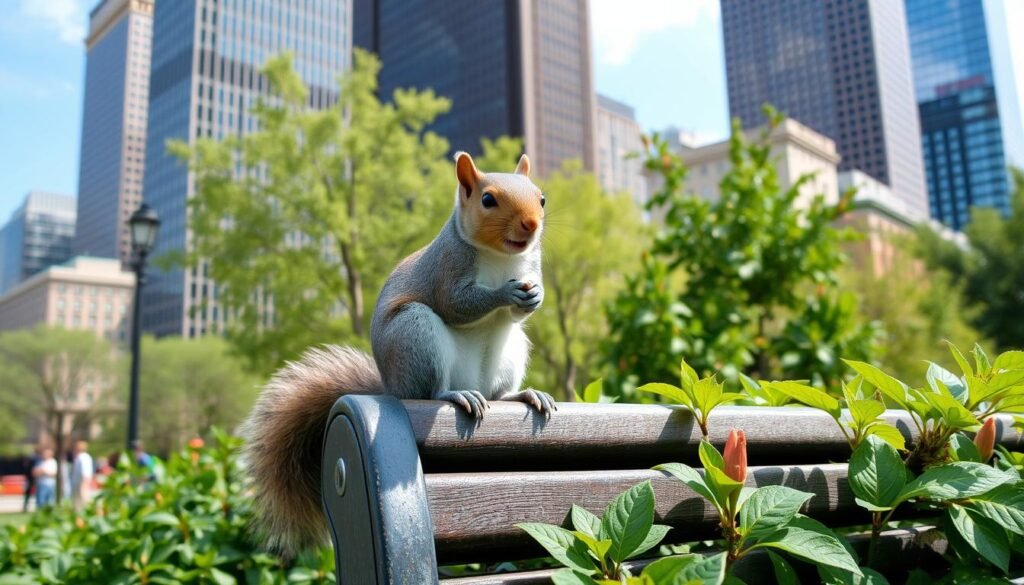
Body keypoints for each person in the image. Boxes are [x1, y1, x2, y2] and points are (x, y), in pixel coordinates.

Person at [70, 440, 94, 512]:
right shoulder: (81, 457)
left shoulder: (83, 457)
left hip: (81, 484)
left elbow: (85, 473)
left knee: (81, 504)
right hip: (79, 484)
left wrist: (83, 485)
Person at [22, 447, 41, 513]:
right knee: (36, 493)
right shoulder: (37, 459)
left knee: (29, 493)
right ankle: (33, 506)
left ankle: (26, 506)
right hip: (33, 478)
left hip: (31, 478)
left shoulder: (31, 458)